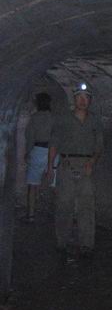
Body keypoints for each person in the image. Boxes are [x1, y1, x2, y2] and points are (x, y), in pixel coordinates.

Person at [47, 82, 102, 258]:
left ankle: (86, 243)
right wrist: (50, 167)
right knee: (64, 204)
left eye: (86, 98)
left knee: (87, 206)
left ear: (90, 101)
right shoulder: (64, 119)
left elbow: (99, 145)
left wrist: (92, 162)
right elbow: (54, 144)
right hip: (66, 164)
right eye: (79, 97)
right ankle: (62, 241)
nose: (82, 101)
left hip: (86, 166)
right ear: (74, 99)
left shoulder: (94, 120)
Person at [22, 92, 54, 222]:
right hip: (52, 151)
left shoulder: (35, 118)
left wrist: (28, 152)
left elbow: (30, 136)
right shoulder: (54, 118)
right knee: (55, 183)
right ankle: (58, 214)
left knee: (32, 184)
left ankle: (31, 215)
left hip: (37, 150)